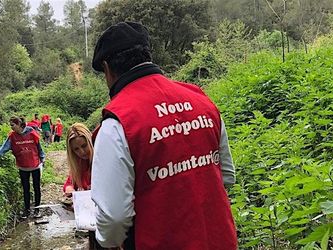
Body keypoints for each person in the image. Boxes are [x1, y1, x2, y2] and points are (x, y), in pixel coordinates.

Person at [90, 22, 238, 249]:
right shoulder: (201, 100)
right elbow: (226, 175)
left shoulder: (117, 123)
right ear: (148, 55)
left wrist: (108, 241)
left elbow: (114, 217)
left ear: (107, 69)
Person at [0, 116, 45, 218]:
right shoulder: (12, 137)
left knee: (36, 188)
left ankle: (37, 210)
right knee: (25, 188)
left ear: (19, 124)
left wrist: (42, 158)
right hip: (23, 167)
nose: (11, 128)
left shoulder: (32, 133)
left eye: (13, 125)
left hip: (35, 165)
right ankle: (27, 210)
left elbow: (39, 148)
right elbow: (4, 148)